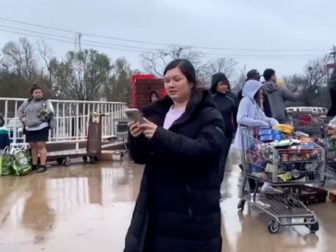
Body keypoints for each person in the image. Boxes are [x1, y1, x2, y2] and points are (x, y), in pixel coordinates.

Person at [124, 59, 226, 252]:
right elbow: (141, 158)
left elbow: (206, 151)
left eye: (176, 79)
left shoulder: (209, 115)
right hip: (156, 205)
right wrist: (136, 138)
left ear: (191, 82)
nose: (170, 84)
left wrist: (160, 135)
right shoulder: (157, 114)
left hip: (190, 210)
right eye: (167, 80)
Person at [233, 80, 280, 193]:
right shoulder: (246, 101)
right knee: (250, 167)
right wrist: (258, 123)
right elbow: (240, 118)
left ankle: (258, 188)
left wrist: (272, 121)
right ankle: (253, 190)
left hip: (254, 139)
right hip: (246, 138)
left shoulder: (255, 103)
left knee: (257, 164)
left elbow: (263, 117)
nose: (261, 93)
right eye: (259, 90)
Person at [18, 85, 54, 173]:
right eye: (36, 92)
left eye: (40, 92)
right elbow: (19, 111)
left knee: (40, 146)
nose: (38, 94)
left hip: (41, 127)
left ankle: (43, 165)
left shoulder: (46, 102)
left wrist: (40, 119)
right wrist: (22, 118)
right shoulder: (27, 102)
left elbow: (51, 112)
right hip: (29, 128)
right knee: (33, 147)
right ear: (32, 94)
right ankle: (34, 164)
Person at [211, 72, 237, 181]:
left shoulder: (231, 101)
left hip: (226, 136)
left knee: (222, 162)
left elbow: (235, 119)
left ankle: (218, 187)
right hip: (212, 134)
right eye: (221, 84)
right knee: (213, 161)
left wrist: (234, 131)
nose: (224, 86)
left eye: (226, 84)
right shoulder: (210, 100)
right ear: (215, 85)